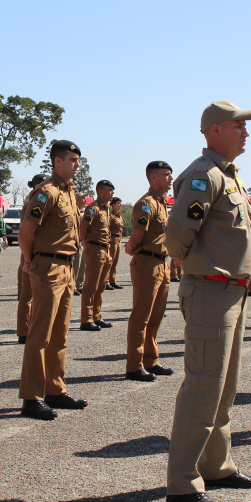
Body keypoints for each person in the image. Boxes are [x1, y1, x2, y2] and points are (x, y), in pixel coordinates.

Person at [165, 102, 251, 502]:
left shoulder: (227, 175)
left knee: (224, 388)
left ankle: (217, 466)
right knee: (203, 386)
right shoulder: (204, 175)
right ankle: (183, 485)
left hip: (231, 291)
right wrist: (195, 266)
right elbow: (178, 234)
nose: (246, 132)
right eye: (239, 125)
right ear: (215, 130)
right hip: (210, 290)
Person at [18, 140, 87, 421]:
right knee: (40, 334)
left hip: (67, 266)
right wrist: (30, 259)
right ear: (57, 161)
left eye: (78, 160)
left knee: (59, 334)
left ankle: (54, 389)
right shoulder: (46, 193)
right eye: (72, 159)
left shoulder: (68, 193)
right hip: (48, 266)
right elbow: (26, 231)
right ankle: (31, 398)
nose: (77, 165)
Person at [124, 161, 175, 381]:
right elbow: (136, 237)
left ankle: (150, 360)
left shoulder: (162, 203)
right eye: (166, 175)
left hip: (162, 263)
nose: (170, 179)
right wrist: (134, 250)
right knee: (141, 317)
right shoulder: (146, 204)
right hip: (147, 263)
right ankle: (134, 365)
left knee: (156, 316)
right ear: (153, 177)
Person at [79, 179, 115, 331]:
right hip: (95, 249)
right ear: (101, 192)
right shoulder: (92, 208)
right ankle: (86, 320)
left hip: (105, 250)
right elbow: (83, 227)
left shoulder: (106, 208)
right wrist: (86, 242)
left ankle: (96, 316)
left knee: (101, 285)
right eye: (110, 190)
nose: (113, 193)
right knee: (91, 286)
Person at [16, 174, 48, 344]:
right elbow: (27, 232)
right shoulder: (33, 203)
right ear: (37, 185)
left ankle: (29, 329)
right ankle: (24, 331)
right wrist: (28, 257)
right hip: (31, 252)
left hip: (38, 252)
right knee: (27, 294)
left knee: (35, 295)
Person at [106, 197, 124, 290]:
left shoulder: (119, 216)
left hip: (118, 240)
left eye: (121, 203)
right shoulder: (111, 215)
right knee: (110, 261)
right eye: (118, 203)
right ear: (113, 204)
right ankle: (106, 281)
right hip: (112, 239)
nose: (120, 205)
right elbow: (107, 228)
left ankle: (113, 280)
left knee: (115, 261)